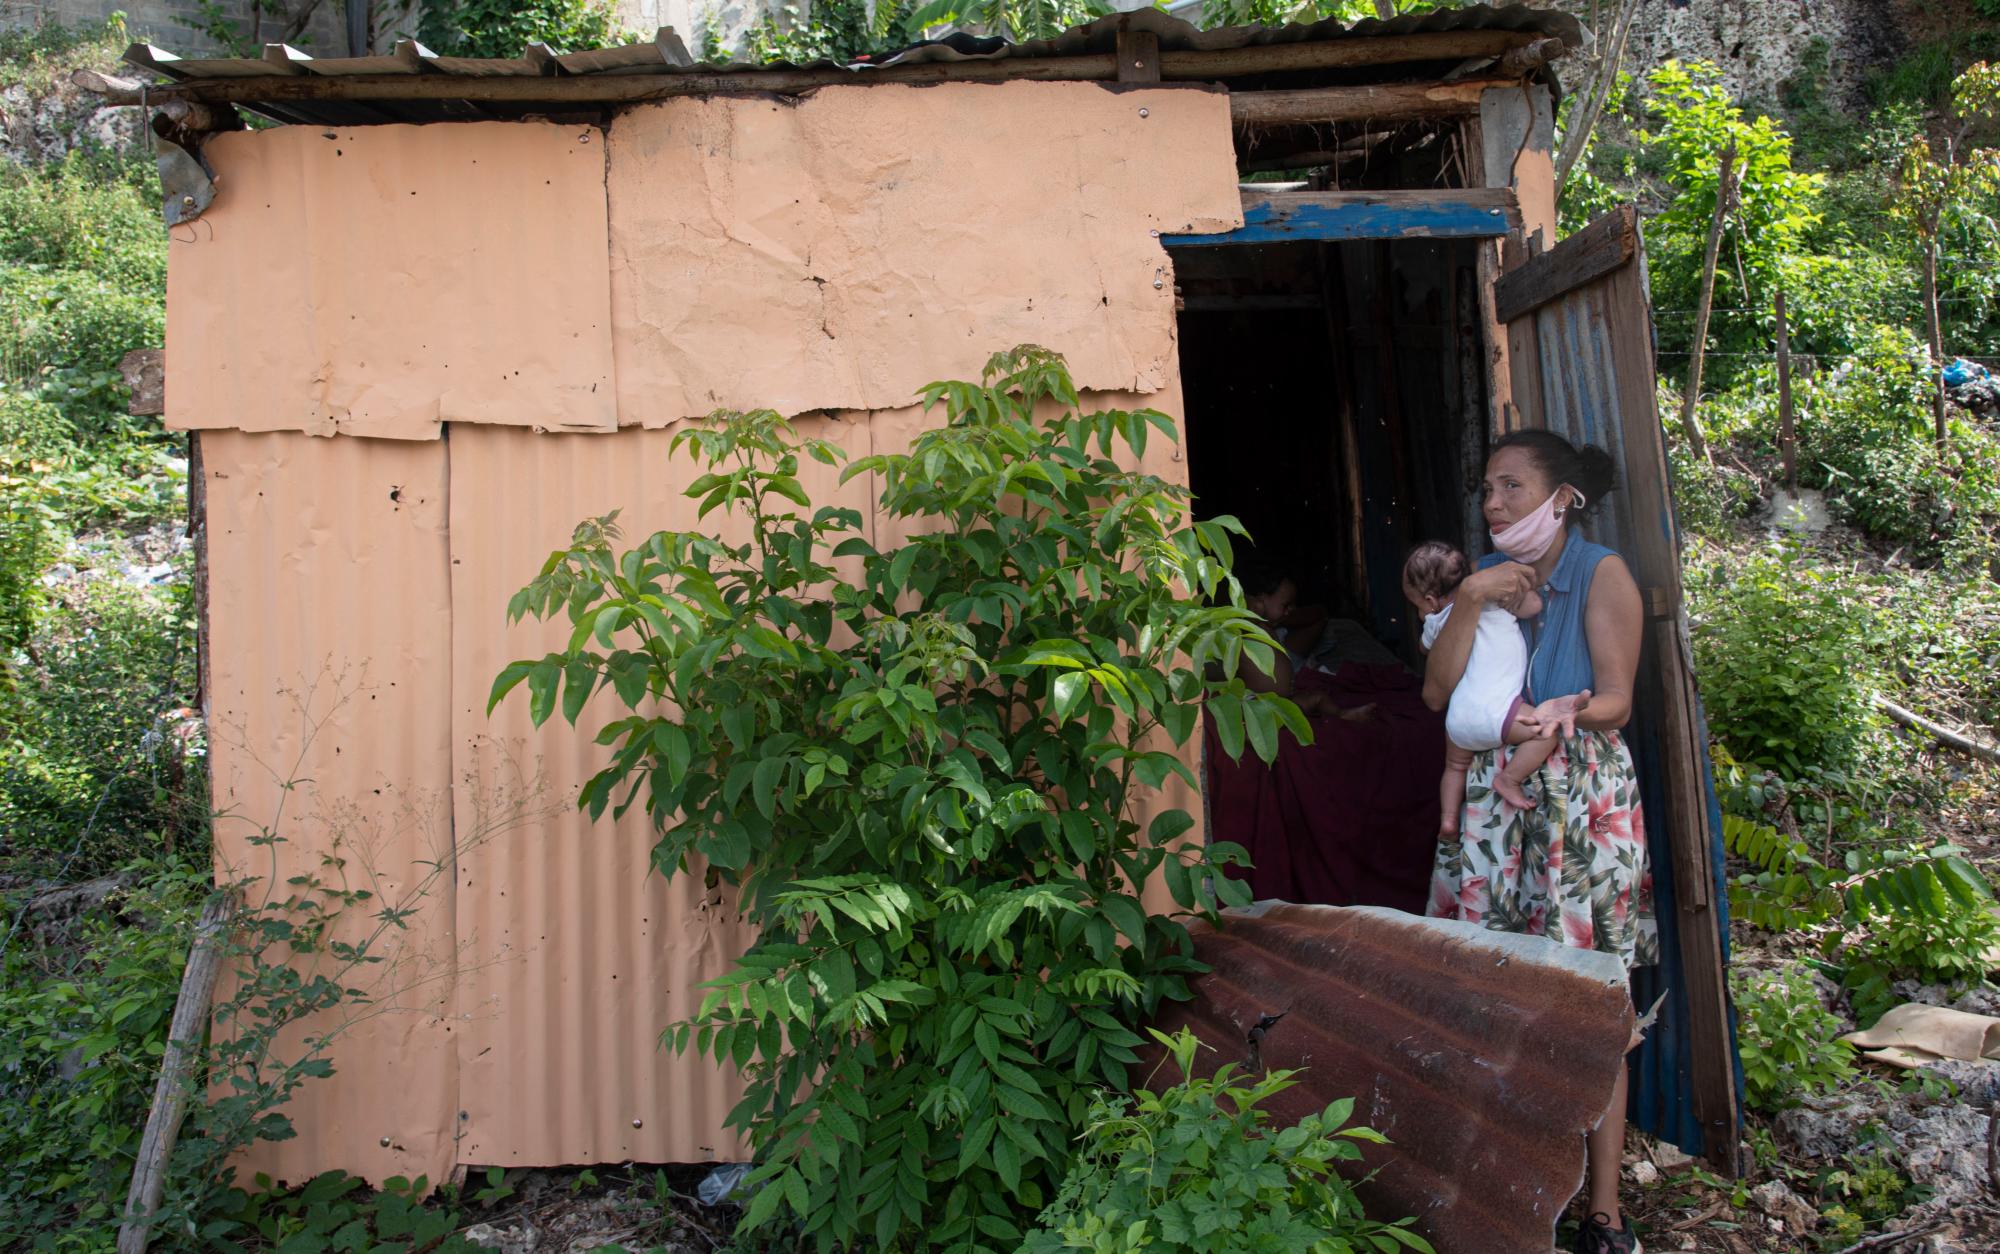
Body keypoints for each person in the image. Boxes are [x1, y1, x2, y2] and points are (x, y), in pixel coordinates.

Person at [1418, 430, 1657, 1254]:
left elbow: (1617, 700)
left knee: (1592, 1001)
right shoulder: (1479, 583)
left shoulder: (1602, 573)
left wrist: (1551, 716)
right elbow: (1437, 690)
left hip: (1579, 799)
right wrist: (1474, 600)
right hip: (1492, 802)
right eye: (1487, 489)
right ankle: (1502, 1194)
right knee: (1489, 989)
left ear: (1564, 499)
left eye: (1512, 487)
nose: (1493, 503)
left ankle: (1604, 1213)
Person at [1402, 540, 1590, 824]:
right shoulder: (1493, 600)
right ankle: (1510, 779)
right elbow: (1534, 605)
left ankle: (1449, 818)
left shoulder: (1436, 621)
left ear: (1430, 601)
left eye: (1417, 606)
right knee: (1546, 731)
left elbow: (1425, 649)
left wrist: (1433, 621)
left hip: (1457, 720)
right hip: (1499, 712)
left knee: (1454, 767)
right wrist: (1524, 584)